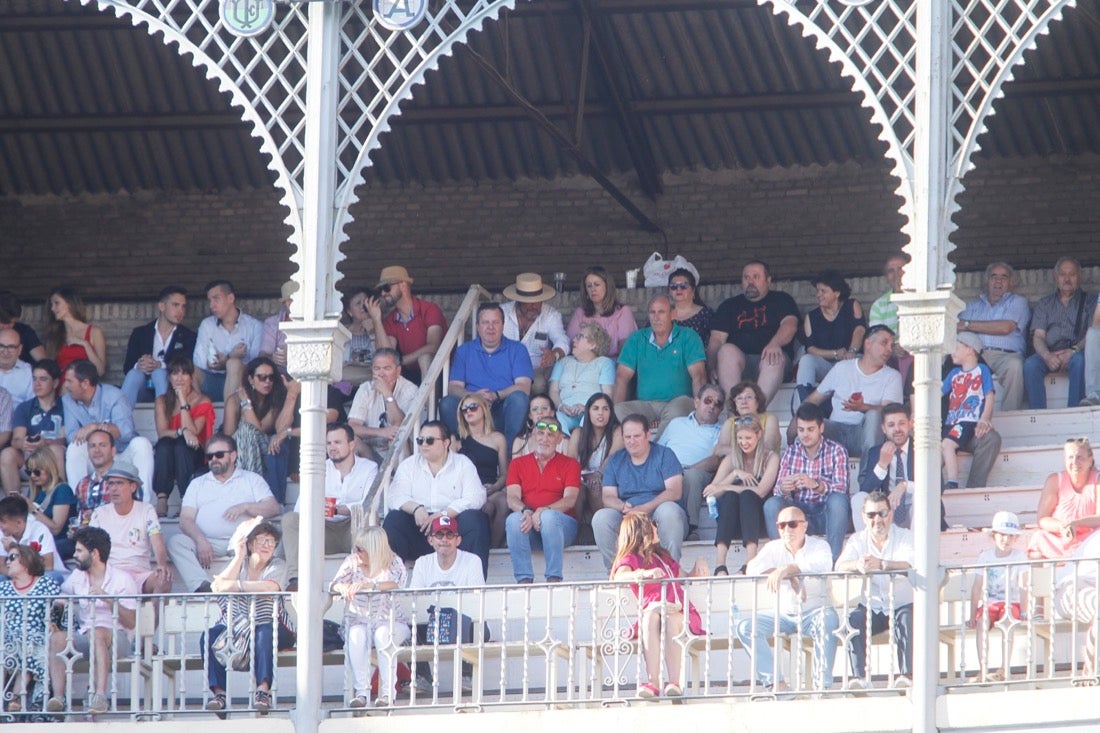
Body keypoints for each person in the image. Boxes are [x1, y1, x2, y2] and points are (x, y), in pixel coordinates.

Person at [734, 505, 838, 692]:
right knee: (745, 627)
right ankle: (775, 683)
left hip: (814, 612)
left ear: (804, 526)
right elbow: (752, 569)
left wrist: (788, 569)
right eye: (782, 525)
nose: (787, 529)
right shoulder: (772, 548)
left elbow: (823, 564)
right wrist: (785, 574)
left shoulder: (819, 545)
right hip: (782, 614)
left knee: (829, 620)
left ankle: (822, 686)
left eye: (792, 524)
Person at [202, 518, 295, 715]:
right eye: (261, 540)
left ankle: (262, 692)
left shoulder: (277, 564)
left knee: (264, 633)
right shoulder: (240, 564)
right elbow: (218, 587)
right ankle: (219, 695)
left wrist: (236, 586)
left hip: (273, 625)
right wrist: (238, 556)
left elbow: (270, 587)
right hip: (236, 626)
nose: (266, 545)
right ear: (250, 544)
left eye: (271, 542)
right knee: (208, 636)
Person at [167, 434, 281, 592]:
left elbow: (273, 508)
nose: (214, 459)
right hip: (208, 541)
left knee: (265, 540)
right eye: (210, 456)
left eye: (219, 455)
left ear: (233, 455)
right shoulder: (197, 484)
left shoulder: (252, 480)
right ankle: (202, 587)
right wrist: (200, 541)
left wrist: (245, 507)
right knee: (176, 542)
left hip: (244, 541)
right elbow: (185, 520)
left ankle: (243, 586)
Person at [610, 513, 705, 699]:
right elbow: (619, 576)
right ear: (641, 532)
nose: (656, 527)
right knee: (650, 617)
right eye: (652, 524)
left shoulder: (663, 557)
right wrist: (643, 574)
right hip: (652, 612)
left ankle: (674, 682)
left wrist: (699, 565)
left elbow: (685, 576)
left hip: (678, 611)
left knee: (669, 618)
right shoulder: (631, 559)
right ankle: (653, 682)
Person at [47, 527, 138, 715]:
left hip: (117, 640)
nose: (74, 555)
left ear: (94, 553)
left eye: (79, 551)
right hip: (85, 636)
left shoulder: (123, 579)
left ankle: (100, 696)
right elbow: (62, 597)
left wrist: (108, 599)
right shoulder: (78, 576)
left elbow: (131, 622)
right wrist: (56, 611)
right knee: (58, 638)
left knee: (98, 632)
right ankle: (58, 698)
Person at [383, 421, 490, 575]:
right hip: (421, 526)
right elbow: (395, 496)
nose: (424, 445)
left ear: (446, 442)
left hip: (451, 526)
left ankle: (474, 585)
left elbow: (476, 497)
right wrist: (416, 508)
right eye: (420, 440)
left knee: (475, 519)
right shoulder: (408, 465)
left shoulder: (463, 464)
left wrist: (444, 514)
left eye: (430, 440)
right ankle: (390, 580)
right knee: (394, 519)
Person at [835, 491, 915, 689]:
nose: (877, 519)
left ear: (891, 514)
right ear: (863, 517)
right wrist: (858, 564)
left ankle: (907, 676)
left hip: (901, 604)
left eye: (882, 513)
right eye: (871, 515)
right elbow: (839, 566)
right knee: (852, 622)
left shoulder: (905, 536)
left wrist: (882, 564)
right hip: (872, 606)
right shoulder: (858, 539)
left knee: (906, 619)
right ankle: (859, 679)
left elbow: (911, 564)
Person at [282, 423, 378, 587]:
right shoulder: (317, 469)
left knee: (367, 520)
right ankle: (295, 579)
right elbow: (299, 509)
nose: (332, 447)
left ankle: (362, 578)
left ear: (352, 444)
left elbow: (369, 505)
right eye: (329, 443)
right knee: (290, 519)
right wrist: (314, 509)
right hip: (324, 531)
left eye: (337, 442)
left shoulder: (369, 468)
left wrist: (337, 509)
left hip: (354, 529)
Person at [791, 323, 903, 459]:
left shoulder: (892, 376)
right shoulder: (842, 368)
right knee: (809, 426)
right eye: (884, 343)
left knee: (874, 416)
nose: (889, 350)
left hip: (863, 435)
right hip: (835, 430)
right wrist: (796, 419)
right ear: (868, 343)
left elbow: (892, 412)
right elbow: (813, 400)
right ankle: (801, 477)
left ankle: (867, 477)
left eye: (891, 345)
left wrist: (864, 408)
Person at [592, 414, 688, 570]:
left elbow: (674, 491)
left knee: (669, 511)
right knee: (601, 518)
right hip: (629, 515)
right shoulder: (615, 460)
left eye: (637, 436)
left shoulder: (665, 454)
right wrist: (624, 507)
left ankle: (671, 572)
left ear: (648, 434)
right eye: (627, 437)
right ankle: (618, 572)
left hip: (660, 511)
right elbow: (607, 497)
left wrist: (646, 507)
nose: (631, 441)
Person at [330, 526, 411, 708]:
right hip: (359, 620)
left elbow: (397, 584)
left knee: (383, 634)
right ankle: (362, 693)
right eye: (356, 548)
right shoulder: (352, 562)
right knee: (355, 635)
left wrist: (370, 585)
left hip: (391, 621)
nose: (356, 552)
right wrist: (341, 587)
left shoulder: (393, 562)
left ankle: (388, 694)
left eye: (361, 549)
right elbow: (334, 583)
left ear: (374, 549)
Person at [407, 514, 485, 694]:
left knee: (463, 617)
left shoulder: (472, 560)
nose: (445, 540)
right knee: (403, 625)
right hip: (432, 624)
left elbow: (476, 599)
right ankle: (422, 677)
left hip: (466, 623)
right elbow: (413, 598)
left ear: (458, 540)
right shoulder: (422, 563)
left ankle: (467, 676)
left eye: (450, 535)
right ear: (430, 540)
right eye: (439, 535)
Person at [441, 302, 532, 450]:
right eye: (485, 322)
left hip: (502, 408)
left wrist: (496, 395)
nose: (491, 327)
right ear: (477, 326)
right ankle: (468, 450)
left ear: (503, 325)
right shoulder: (464, 351)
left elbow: (524, 387)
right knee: (447, 403)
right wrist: (473, 396)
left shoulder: (517, 349)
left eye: (495, 322)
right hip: (472, 410)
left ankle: (508, 453)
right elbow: (453, 387)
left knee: (519, 399)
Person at [765, 402, 850, 561]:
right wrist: (785, 488)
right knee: (771, 504)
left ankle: (832, 562)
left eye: (810, 429)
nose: (805, 435)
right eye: (801, 429)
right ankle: (783, 560)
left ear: (821, 428)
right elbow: (778, 491)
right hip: (799, 516)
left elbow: (841, 489)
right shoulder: (791, 452)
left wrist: (817, 485)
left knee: (838, 501)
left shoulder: (836, 450)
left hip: (827, 513)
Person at [62, 359, 155, 503]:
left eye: (69, 381)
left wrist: (95, 427)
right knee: (74, 447)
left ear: (85, 383)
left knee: (141, 444)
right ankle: (79, 505)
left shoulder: (114, 395)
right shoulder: (68, 400)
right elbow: (71, 436)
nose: (66, 386)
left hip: (120, 455)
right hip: (95, 456)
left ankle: (145, 504)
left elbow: (126, 432)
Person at [613, 294, 706, 438]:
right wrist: (614, 414)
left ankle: (655, 449)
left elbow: (698, 376)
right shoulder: (637, 338)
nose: (656, 317)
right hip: (645, 405)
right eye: (652, 312)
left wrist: (701, 412)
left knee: (676, 412)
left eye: (661, 312)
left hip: (678, 402)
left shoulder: (688, 336)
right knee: (618, 410)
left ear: (672, 314)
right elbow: (621, 378)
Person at [709, 260, 800, 406]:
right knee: (726, 350)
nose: (750, 281)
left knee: (773, 356)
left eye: (756, 277)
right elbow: (717, 339)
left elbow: (790, 325)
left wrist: (774, 344)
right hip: (739, 365)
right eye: (746, 277)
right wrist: (712, 366)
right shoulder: (729, 306)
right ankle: (735, 409)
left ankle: (756, 410)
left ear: (768, 280)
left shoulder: (782, 300)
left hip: (772, 366)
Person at [504, 416, 581, 583]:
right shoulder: (517, 464)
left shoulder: (570, 464)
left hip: (561, 528)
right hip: (529, 527)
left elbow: (569, 500)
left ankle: (553, 578)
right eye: (540, 433)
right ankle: (524, 581)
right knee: (513, 520)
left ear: (560, 439)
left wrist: (543, 510)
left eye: (551, 435)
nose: (545, 438)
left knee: (549, 517)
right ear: (533, 436)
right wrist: (526, 511)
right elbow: (512, 498)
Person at [702, 415, 779, 575]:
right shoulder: (732, 459)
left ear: (759, 435)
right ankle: (720, 565)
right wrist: (735, 474)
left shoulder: (771, 457)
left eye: (748, 438)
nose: (744, 443)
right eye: (740, 438)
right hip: (732, 522)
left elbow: (761, 491)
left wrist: (728, 486)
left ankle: (750, 561)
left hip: (757, 522)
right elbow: (711, 492)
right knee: (730, 497)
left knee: (747, 496)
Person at [854, 402, 947, 532]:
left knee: (920, 497)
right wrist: (882, 464)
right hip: (888, 513)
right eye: (891, 425)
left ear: (910, 424)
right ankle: (869, 548)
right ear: (883, 428)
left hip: (917, 512)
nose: (897, 429)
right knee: (858, 499)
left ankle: (918, 550)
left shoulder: (924, 449)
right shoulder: (876, 452)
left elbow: (938, 488)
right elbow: (865, 490)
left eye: (902, 423)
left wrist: (905, 485)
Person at [223, 356, 299, 504]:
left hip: (266, 448)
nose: (267, 382)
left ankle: (249, 492)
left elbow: (261, 430)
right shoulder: (234, 400)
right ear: (251, 379)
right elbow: (228, 436)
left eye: (271, 378)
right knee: (245, 432)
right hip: (239, 451)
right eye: (262, 377)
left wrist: (246, 405)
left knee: (248, 431)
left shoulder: (275, 400)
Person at [88, 460, 172, 595]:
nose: (114, 488)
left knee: (164, 579)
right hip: (111, 575)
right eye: (111, 483)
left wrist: (161, 565)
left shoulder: (146, 509)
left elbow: (156, 540)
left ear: (133, 487)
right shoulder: (99, 514)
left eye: (119, 483)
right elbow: (90, 548)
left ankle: (156, 617)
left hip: (140, 575)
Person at [957, 262, 1030, 412]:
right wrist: (968, 326)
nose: (998, 281)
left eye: (1004, 277)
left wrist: (969, 324)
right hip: (978, 355)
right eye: (994, 276)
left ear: (1011, 282)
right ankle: (964, 417)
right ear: (987, 281)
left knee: (1015, 366)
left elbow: (1005, 328)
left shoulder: (1018, 302)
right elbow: (958, 328)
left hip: (1006, 356)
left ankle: (1010, 416)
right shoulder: (972, 306)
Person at [1024, 257, 1096, 409]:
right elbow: (1038, 336)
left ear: (1080, 277)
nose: (1067, 279)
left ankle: (1075, 411)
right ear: (1056, 277)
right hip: (1049, 352)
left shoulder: (1090, 301)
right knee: (1030, 365)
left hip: (1076, 352)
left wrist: (1073, 351)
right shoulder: (1045, 303)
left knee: (1080, 362)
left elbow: (1093, 334)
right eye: (1063, 274)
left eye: (1072, 274)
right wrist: (1047, 356)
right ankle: (1038, 415)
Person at [967, 511, 1028, 682]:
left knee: (1007, 620)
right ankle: (983, 668)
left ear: (1015, 538)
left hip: (1012, 603)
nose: (1005, 539)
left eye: (1010, 536)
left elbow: (1024, 586)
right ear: (994, 536)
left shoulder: (1019, 556)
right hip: (990, 604)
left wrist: (1024, 611)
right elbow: (976, 587)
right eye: (1002, 534)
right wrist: (972, 615)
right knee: (982, 623)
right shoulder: (985, 556)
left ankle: (1004, 667)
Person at [656, 383, 724, 537]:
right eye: (708, 400)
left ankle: (691, 528)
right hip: (667, 470)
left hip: (699, 472)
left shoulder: (721, 431)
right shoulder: (676, 423)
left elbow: (715, 461)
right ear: (696, 402)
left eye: (718, 404)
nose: (712, 406)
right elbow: (658, 450)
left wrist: (683, 471)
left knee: (690, 476)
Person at [152, 356, 214, 517]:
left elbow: (193, 432)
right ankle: (162, 498)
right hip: (169, 449)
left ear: (191, 377)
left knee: (181, 445)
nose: (179, 378)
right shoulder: (162, 401)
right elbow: (162, 433)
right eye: (174, 373)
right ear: (169, 377)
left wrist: (182, 400)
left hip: (194, 451)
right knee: (164, 444)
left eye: (184, 373)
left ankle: (186, 500)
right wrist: (181, 431)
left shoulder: (202, 400)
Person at [0, 545, 59, 714]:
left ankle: (15, 699)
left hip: (36, 637)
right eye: (7, 559)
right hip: (7, 638)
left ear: (26, 561)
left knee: (28, 646)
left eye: (12, 557)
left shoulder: (46, 583)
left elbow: (57, 611)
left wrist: (57, 615)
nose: (7, 562)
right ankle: (12, 700)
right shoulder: (3, 589)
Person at [794, 270, 866, 402]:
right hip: (827, 365)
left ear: (837, 293)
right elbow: (810, 348)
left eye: (823, 291)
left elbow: (859, 330)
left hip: (851, 361)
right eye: (817, 291)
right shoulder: (812, 316)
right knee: (806, 360)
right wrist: (834, 354)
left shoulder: (852, 305)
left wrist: (852, 350)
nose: (818, 295)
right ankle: (804, 403)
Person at [120, 286, 197, 405]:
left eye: (183, 306)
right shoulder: (140, 333)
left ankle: (165, 418)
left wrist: (160, 365)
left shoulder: (188, 336)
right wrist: (139, 365)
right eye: (175, 305)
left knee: (159, 373)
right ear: (162, 306)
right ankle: (120, 420)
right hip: (144, 389)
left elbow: (188, 367)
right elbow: (127, 367)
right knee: (134, 374)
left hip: (172, 391)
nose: (180, 311)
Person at [942, 332, 999, 490]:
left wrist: (984, 418)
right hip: (951, 422)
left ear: (969, 349)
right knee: (938, 451)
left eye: (956, 347)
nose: (951, 351)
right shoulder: (953, 373)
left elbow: (989, 395)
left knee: (947, 444)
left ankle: (953, 483)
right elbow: (937, 392)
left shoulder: (982, 370)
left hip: (967, 422)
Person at [1027, 437, 1100, 559]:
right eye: (1070, 457)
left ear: (1090, 460)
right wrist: (1062, 527)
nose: (1075, 462)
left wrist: (1076, 524)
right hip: (1060, 539)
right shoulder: (1055, 480)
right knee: (1038, 539)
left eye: (1080, 458)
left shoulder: (1098, 480)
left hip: (1090, 539)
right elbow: (1042, 519)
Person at [1, 359, 66, 495]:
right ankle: (15, 504)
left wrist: (46, 443)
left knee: (56, 450)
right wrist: (23, 443)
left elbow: (68, 438)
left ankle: (61, 498)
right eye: (34, 379)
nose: (37, 384)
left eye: (43, 379)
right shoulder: (24, 407)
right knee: (7, 454)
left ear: (55, 383)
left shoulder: (65, 406)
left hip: (56, 457)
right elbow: (16, 439)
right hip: (30, 459)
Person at [193, 279, 263, 402]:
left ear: (230, 298)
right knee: (190, 371)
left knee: (234, 364)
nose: (211, 305)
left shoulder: (254, 326)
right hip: (212, 381)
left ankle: (229, 418)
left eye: (216, 299)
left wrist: (229, 361)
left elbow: (257, 363)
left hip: (242, 384)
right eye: (210, 300)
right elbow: (199, 361)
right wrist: (228, 356)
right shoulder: (207, 325)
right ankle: (199, 413)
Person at [565, 393, 622, 542]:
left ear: (611, 412)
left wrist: (598, 474)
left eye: (605, 409)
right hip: (581, 477)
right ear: (588, 411)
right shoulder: (578, 433)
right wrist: (578, 479)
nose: (600, 413)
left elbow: (612, 457)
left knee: (596, 487)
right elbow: (570, 461)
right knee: (577, 488)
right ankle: (573, 532)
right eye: (595, 408)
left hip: (607, 477)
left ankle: (604, 535)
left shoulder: (617, 431)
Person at [453, 393, 508, 549]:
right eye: (464, 409)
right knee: (486, 508)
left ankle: (493, 548)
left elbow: (505, 473)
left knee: (503, 501)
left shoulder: (498, 438)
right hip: (466, 491)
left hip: (489, 488)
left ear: (484, 409)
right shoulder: (457, 440)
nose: (468, 411)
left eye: (473, 407)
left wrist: (496, 486)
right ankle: (479, 546)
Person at [501, 272, 570, 394]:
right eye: (528, 302)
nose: (533, 306)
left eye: (537, 301)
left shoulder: (551, 315)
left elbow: (562, 340)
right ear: (518, 300)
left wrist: (554, 355)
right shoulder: (502, 313)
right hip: (505, 366)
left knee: (539, 384)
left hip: (535, 368)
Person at [377, 266, 447, 384]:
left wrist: (402, 360)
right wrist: (376, 319)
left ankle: (427, 403)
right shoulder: (390, 320)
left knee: (425, 358)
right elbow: (387, 354)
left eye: (386, 287)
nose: (383, 293)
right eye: (381, 289)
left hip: (439, 374)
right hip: (410, 376)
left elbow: (433, 346)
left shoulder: (429, 309)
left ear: (403, 285)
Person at [348, 347, 418, 463]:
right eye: (377, 369)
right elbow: (352, 427)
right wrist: (381, 432)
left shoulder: (409, 389)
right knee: (352, 440)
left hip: (400, 452)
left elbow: (399, 423)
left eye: (387, 368)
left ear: (398, 371)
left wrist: (387, 394)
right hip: (371, 452)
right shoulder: (365, 389)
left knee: (396, 436)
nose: (381, 374)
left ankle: (399, 478)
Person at [548, 320, 615, 434]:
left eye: (580, 336)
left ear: (593, 344)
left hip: (590, 413)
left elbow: (607, 395)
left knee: (588, 421)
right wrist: (561, 406)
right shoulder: (563, 362)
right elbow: (553, 391)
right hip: (565, 412)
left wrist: (587, 408)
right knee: (556, 422)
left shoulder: (604, 363)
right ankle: (566, 448)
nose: (574, 340)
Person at [565, 266, 637, 359]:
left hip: (613, 365)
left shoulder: (623, 311)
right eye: (589, 285)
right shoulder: (580, 312)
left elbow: (626, 349)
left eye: (597, 284)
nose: (593, 289)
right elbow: (570, 344)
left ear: (607, 286)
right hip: (583, 363)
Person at [867, 254, 913, 389]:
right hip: (890, 356)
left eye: (900, 269)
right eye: (891, 271)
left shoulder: (920, 299)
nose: (897, 274)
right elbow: (876, 339)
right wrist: (892, 349)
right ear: (886, 277)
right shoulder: (879, 305)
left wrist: (907, 345)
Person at [25, 447, 76, 560]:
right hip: (38, 539)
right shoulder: (34, 491)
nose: (33, 475)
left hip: (60, 542)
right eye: (29, 472)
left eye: (37, 471)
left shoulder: (63, 490)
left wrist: (32, 509)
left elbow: (56, 529)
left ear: (49, 468)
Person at [44, 287, 107, 377]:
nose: (52, 309)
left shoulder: (94, 332)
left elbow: (100, 371)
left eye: (56, 303)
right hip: (62, 384)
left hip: (83, 384)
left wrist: (85, 344)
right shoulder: (54, 334)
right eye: (51, 305)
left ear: (70, 303)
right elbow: (49, 369)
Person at [339, 285, 392, 386]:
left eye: (366, 302)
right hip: (346, 380)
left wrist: (373, 330)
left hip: (371, 380)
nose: (363, 306)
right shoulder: (342, 332)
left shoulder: (380, 328)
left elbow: (388, 356)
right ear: (350, 312)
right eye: (358, 303)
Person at [0, 495, 62, 577]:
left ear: (19, 523)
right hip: (17, 576)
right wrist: (19, 578)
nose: (0, 525)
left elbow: (48, 566)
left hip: (41, 575)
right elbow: (1, 566)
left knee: (51, 576)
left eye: (3, 522)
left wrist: (14, 548)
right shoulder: (3, 532)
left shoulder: (40, 530)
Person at [717, 380, 781, 456]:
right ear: (735, 404)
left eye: (749, 397)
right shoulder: (730, 422)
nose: (744, 402)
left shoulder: (770, 419)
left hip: (764, 464)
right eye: (739, 398)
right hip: (736, 465)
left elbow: (769, 445)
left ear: (758, 402)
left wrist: (741, 452)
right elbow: (720, 449)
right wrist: (746, 453)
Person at [70, 429, 115, 527]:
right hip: (86, 539)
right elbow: (79, 518)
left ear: (113, 451)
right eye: (92, 446)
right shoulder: (82, 484)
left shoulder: (123, 481)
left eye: (102, 445)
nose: (97, 450)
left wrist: (96, 515)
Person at [667, 267, 715, 346]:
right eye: (673, 286)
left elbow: (714, 343)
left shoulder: (706, 314)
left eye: (683, 286)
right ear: (669, 291)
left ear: (693, 290)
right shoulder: (661, 314)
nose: (678, 289)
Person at [259, 280, 298, 372]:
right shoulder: (272, 323)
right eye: (286, 301)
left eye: (293, 300)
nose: (289, 304)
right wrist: (273, 358)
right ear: (284, 303)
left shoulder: (314, 322)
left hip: (306, 374)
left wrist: (293, 356)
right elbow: (263, 356)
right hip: (279, 373)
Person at [0, 292, 46, 365]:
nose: (6, 327)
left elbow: (43, 361)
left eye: (11, 323)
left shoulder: (25, 331)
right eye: (3, 322)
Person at [511, 393, 557, 458]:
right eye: (535, 409)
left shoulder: (563, 441)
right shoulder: (520, 441)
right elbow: (516, 467)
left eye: (544, 408)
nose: (540, 412)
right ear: (530, 415)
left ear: (552, 413)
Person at [0, 327, 33, 404]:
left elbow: (32, 406)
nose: (5, 352)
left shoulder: (29, 373)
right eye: (1, 346)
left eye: (11, 347)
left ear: (19, 349)